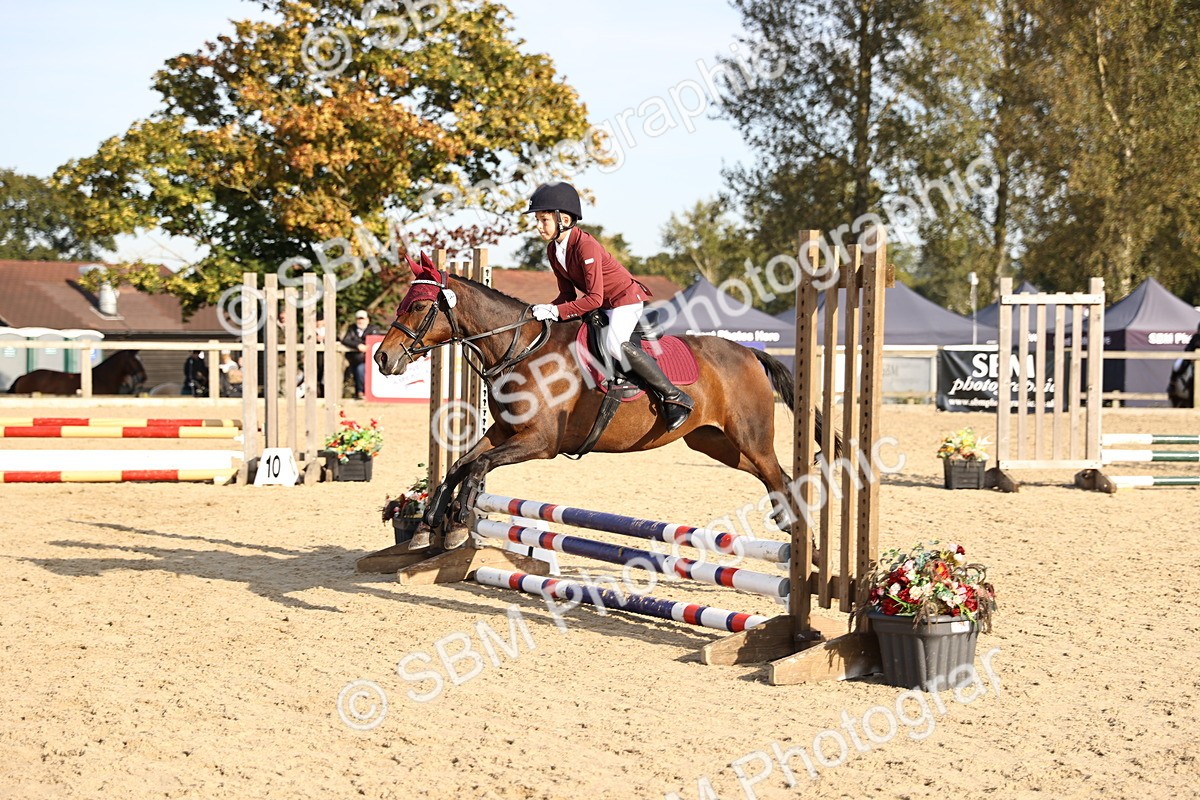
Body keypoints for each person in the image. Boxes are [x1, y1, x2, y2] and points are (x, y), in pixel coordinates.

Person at [525, 181, 693, 431]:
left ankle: (674, 396)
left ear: (565, 219)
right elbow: (567, 294)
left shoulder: (585, 245)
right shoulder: (553, 250)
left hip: (624, 299)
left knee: (615, 343)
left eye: (544, 220)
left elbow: (592, 298)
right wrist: (543, 310)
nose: (539, 227)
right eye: (537, 220)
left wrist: (556, 311)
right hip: (603, 303)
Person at [342, 309, 381, 399]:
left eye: (362, 319)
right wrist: (358, 345)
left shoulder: (374, 329)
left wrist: (361, 345)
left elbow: (374, 341)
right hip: (355, 359)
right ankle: (359, 393)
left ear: (367, 320)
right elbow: (345, 340)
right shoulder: (352, 329)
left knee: (360, 370)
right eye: (359, 319)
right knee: (356, 371)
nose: (360, 321)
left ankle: (361, 392)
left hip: (371, 361)